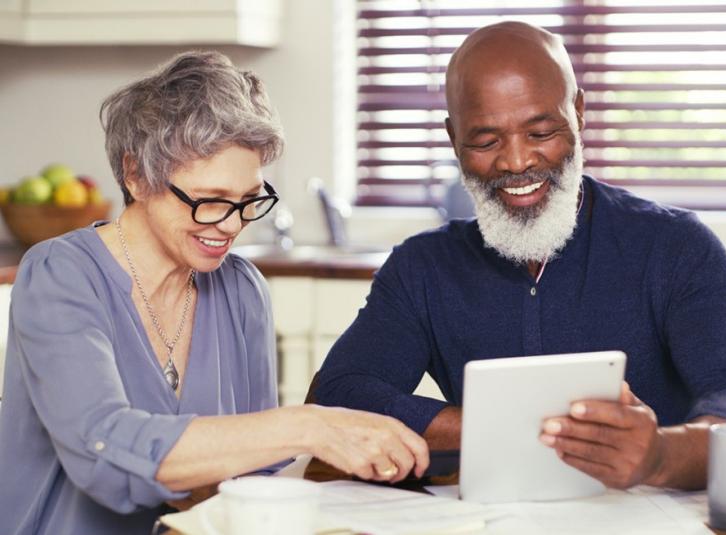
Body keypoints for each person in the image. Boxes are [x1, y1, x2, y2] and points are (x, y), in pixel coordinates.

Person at [312, 22, 726, 491]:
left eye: (540, 132)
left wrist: (659, 453)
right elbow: (339, 393)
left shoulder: (676, 246)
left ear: (578, 114)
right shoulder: (422, 268)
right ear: (454, 139)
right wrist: (513, 430)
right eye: (486, 140)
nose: (516, 162)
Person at [0, 51, 427, 535]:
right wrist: (309, 425)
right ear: (136, 175)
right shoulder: (61, 275)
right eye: (209, 201)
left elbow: (251, 475)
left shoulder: (242, 291)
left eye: (248, 201)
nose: (230, 225)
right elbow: (105, 451)